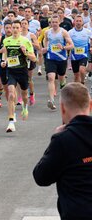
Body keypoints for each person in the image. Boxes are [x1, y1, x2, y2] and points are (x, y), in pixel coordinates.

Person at [33, 82, 92, 220]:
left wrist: (55, 139)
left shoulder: (63, 140)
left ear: (62, 108)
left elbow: (41, 177)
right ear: (90, 105)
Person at [1, 20, 36, 132]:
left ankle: (25, 107)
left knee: (24, 95)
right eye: (13, 27)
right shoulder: (6, 41)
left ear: (21, 29)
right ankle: (11, 122)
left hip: (23, 71)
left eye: (17, 28)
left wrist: (25, 52)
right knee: (11, 94)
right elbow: (5, 54)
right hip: (11, 71)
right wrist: (4, 61)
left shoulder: (25, 41)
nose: (15, 30)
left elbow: (34, 58)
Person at [42, 15, 74, 110]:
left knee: (61, 79)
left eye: (56, 22)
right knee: (51, 78)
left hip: (61, 58)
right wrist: (46, 48)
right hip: (51, 58)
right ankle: (51, 100)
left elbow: (71, 45)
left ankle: (64, 93)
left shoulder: (63, 32)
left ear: (59, 22)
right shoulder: (47, 32)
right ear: (50, 23)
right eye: (53, 22)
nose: (54, 24)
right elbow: (45, 41)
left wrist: (64, 47)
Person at [68, 15, 91, 84]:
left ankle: (82, 82)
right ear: (74, 22)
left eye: (80, 21)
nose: (78, 22)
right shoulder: (70, 32)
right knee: (76, 76)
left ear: (82, 22)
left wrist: (91, 47)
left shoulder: (87, 31)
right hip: (74, 56)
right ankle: (77, 90)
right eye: (77, 21)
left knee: (82, 70)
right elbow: (67, 42)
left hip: (84, 55)